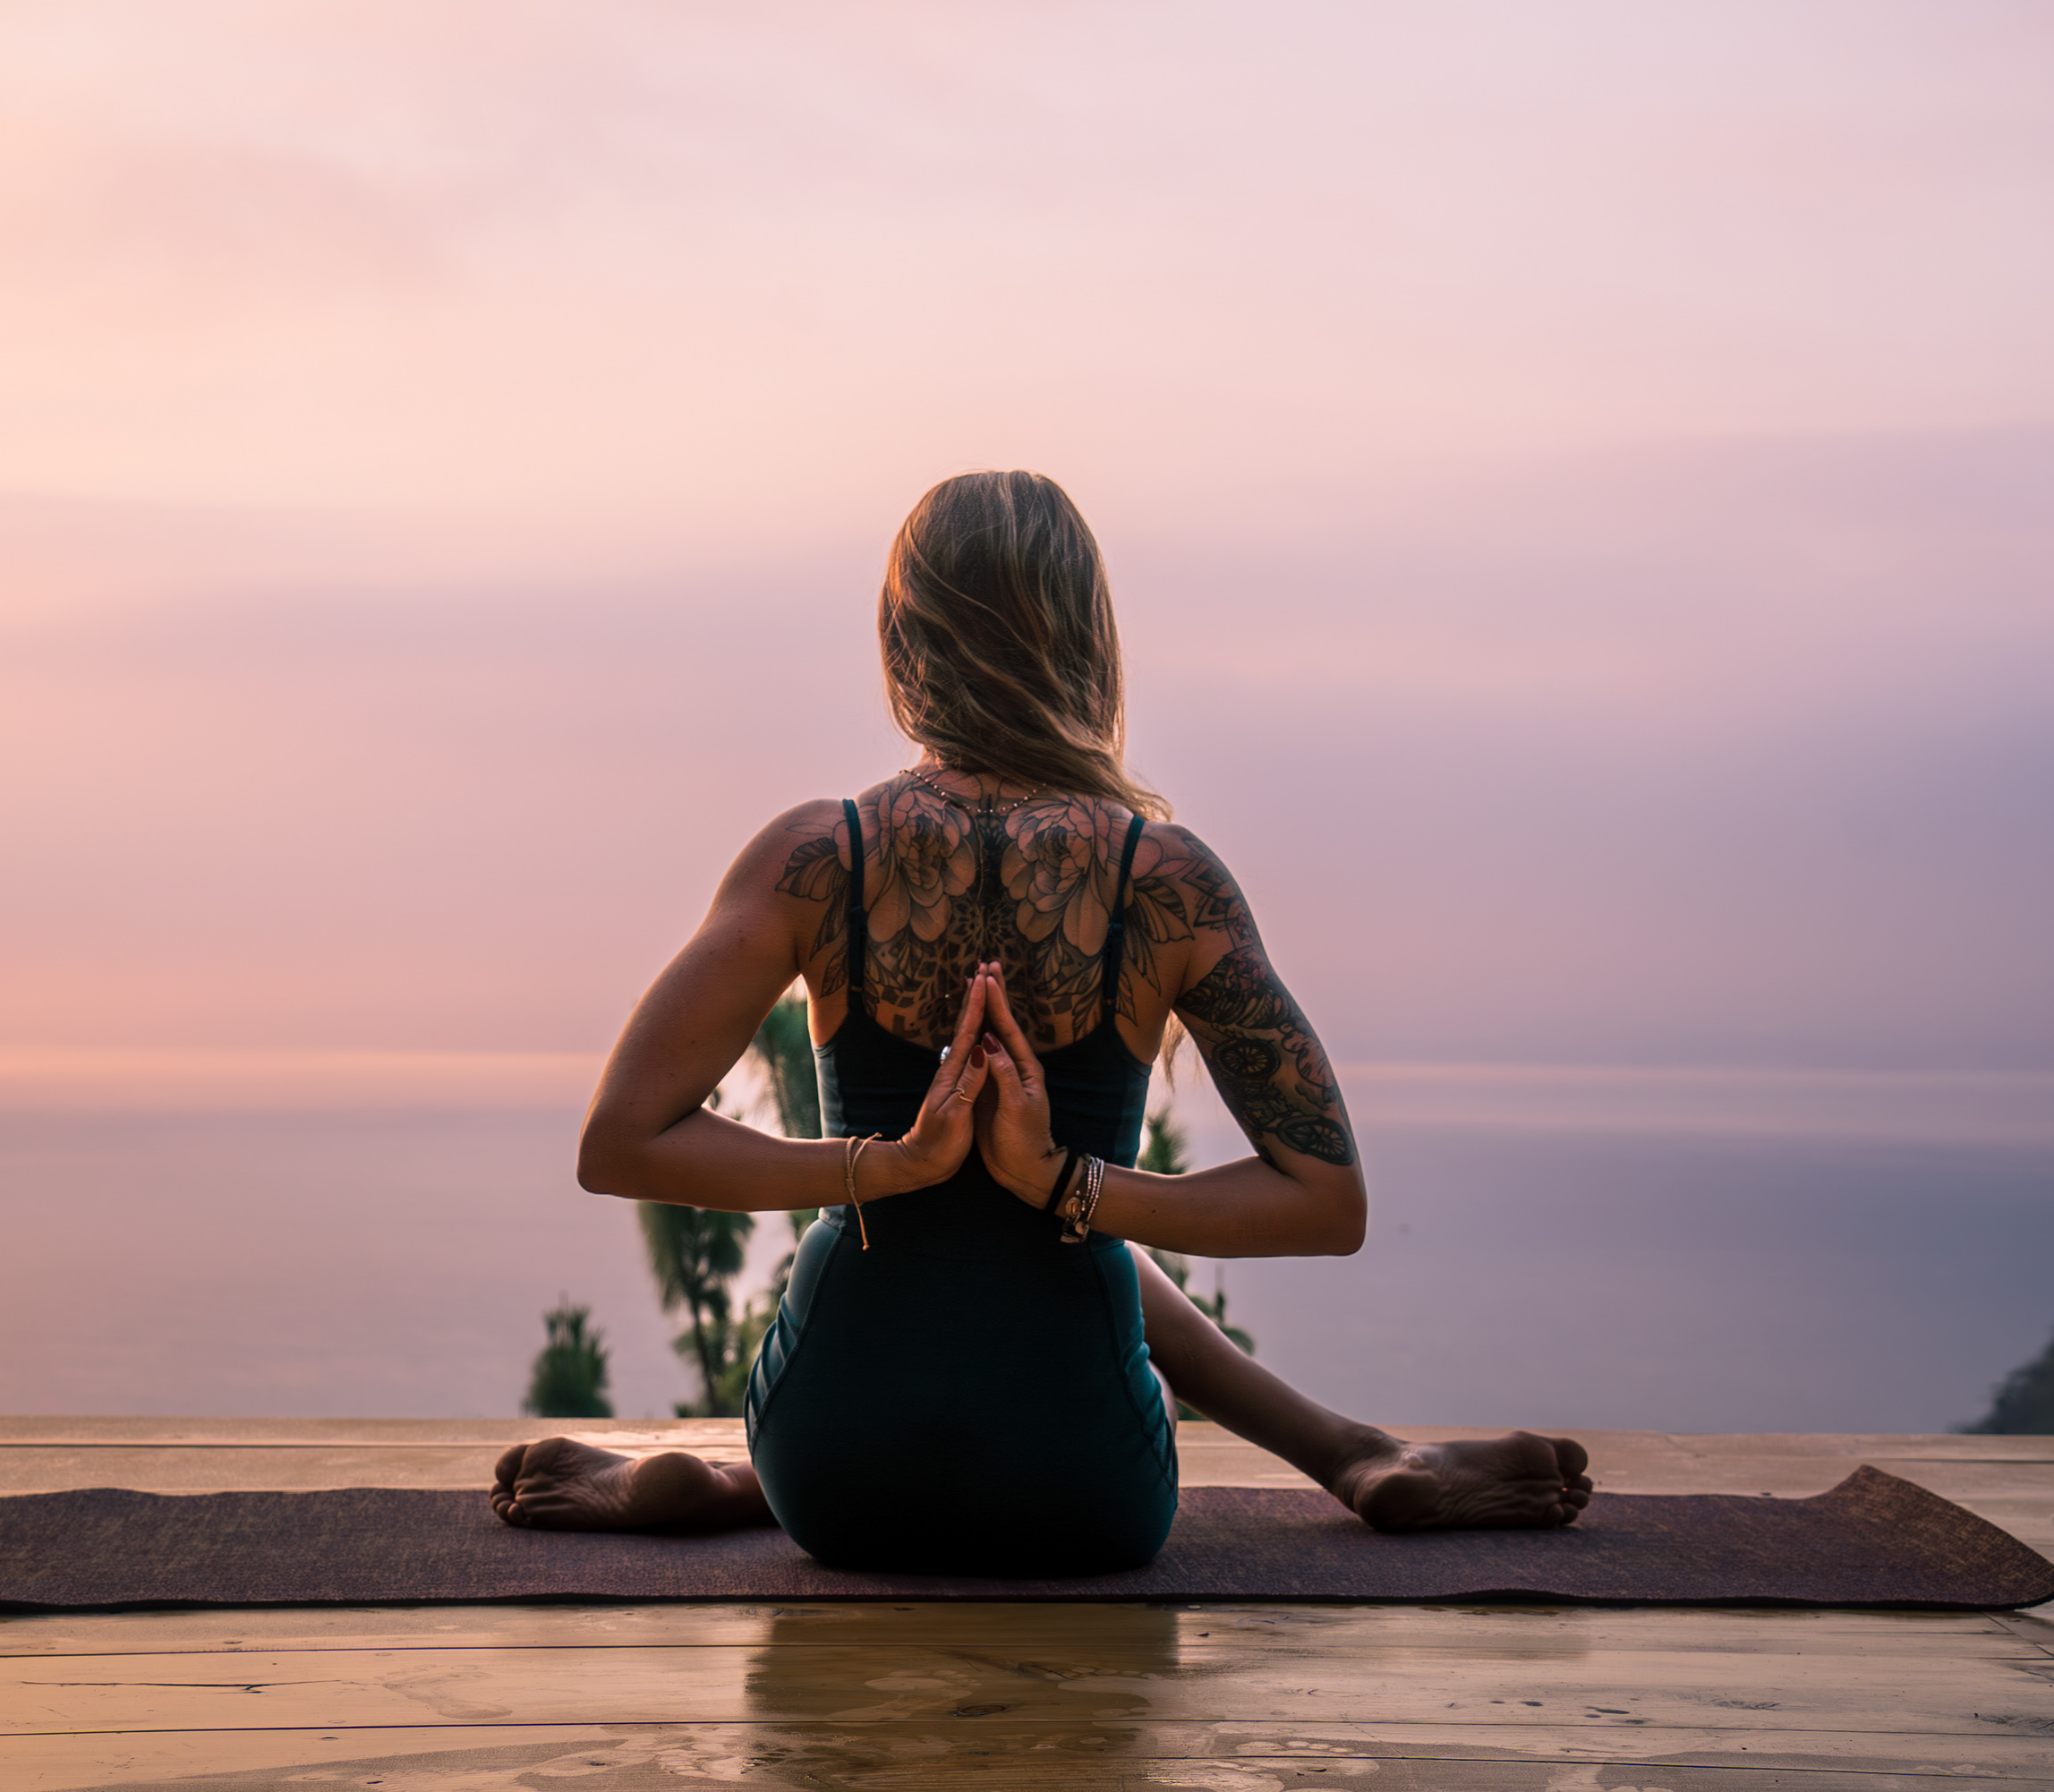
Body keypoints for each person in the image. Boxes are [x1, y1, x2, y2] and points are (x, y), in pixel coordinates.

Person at [494, 470, 1591, 1573]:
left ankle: (740, 1478)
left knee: (986, 1235)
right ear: (1087, 637)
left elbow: (620, 1141)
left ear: (902, 639)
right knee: (1070, 1229)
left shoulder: (814, 856)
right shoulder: (1168, 880)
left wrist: (886, 1166)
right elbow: (1327, 1201)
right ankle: (1352, 1452)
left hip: (830, 1471)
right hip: (1083, 1481)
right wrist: (1069, 1184)